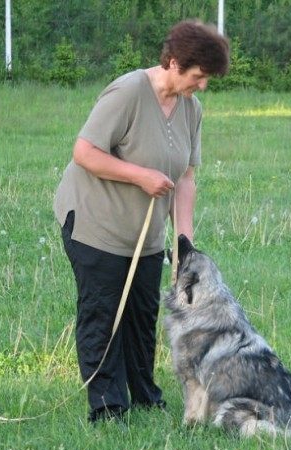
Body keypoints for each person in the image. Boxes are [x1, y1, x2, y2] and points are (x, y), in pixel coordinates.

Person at [54, 20, 230, 423]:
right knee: (104, 314)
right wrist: (141, 175)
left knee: (142, 314)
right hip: (96, 224)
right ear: (173, 62)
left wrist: (183, 245)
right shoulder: (129, 91)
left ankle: (145, 396)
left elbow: (185, 177)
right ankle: (108, 406)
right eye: (198, 76)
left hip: (146, 235)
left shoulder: (191, 109)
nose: (202, 86)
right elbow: (85, 152)